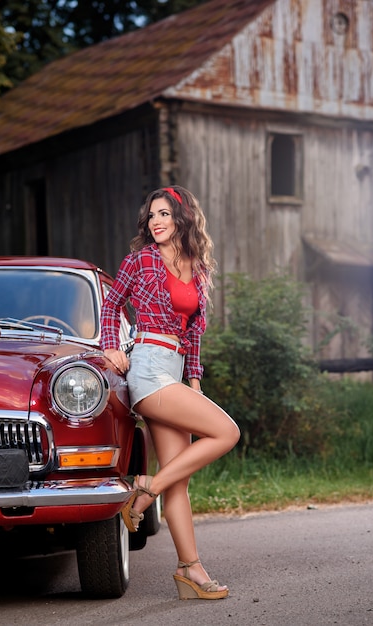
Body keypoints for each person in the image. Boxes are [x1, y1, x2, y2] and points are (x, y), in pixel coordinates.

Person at [100, 185, 240, 600]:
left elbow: (194, 335)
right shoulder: (141, 259)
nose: (155, 222)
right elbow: (111, 305)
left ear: (182, 218)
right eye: (151, 216)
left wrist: (193, 383)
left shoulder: (197, 268)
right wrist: (110, 345)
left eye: (164, 214)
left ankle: (189, 569)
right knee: (227, 433)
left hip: (175, 372)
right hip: (146, 368)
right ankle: (143, 493)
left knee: (178, 480)